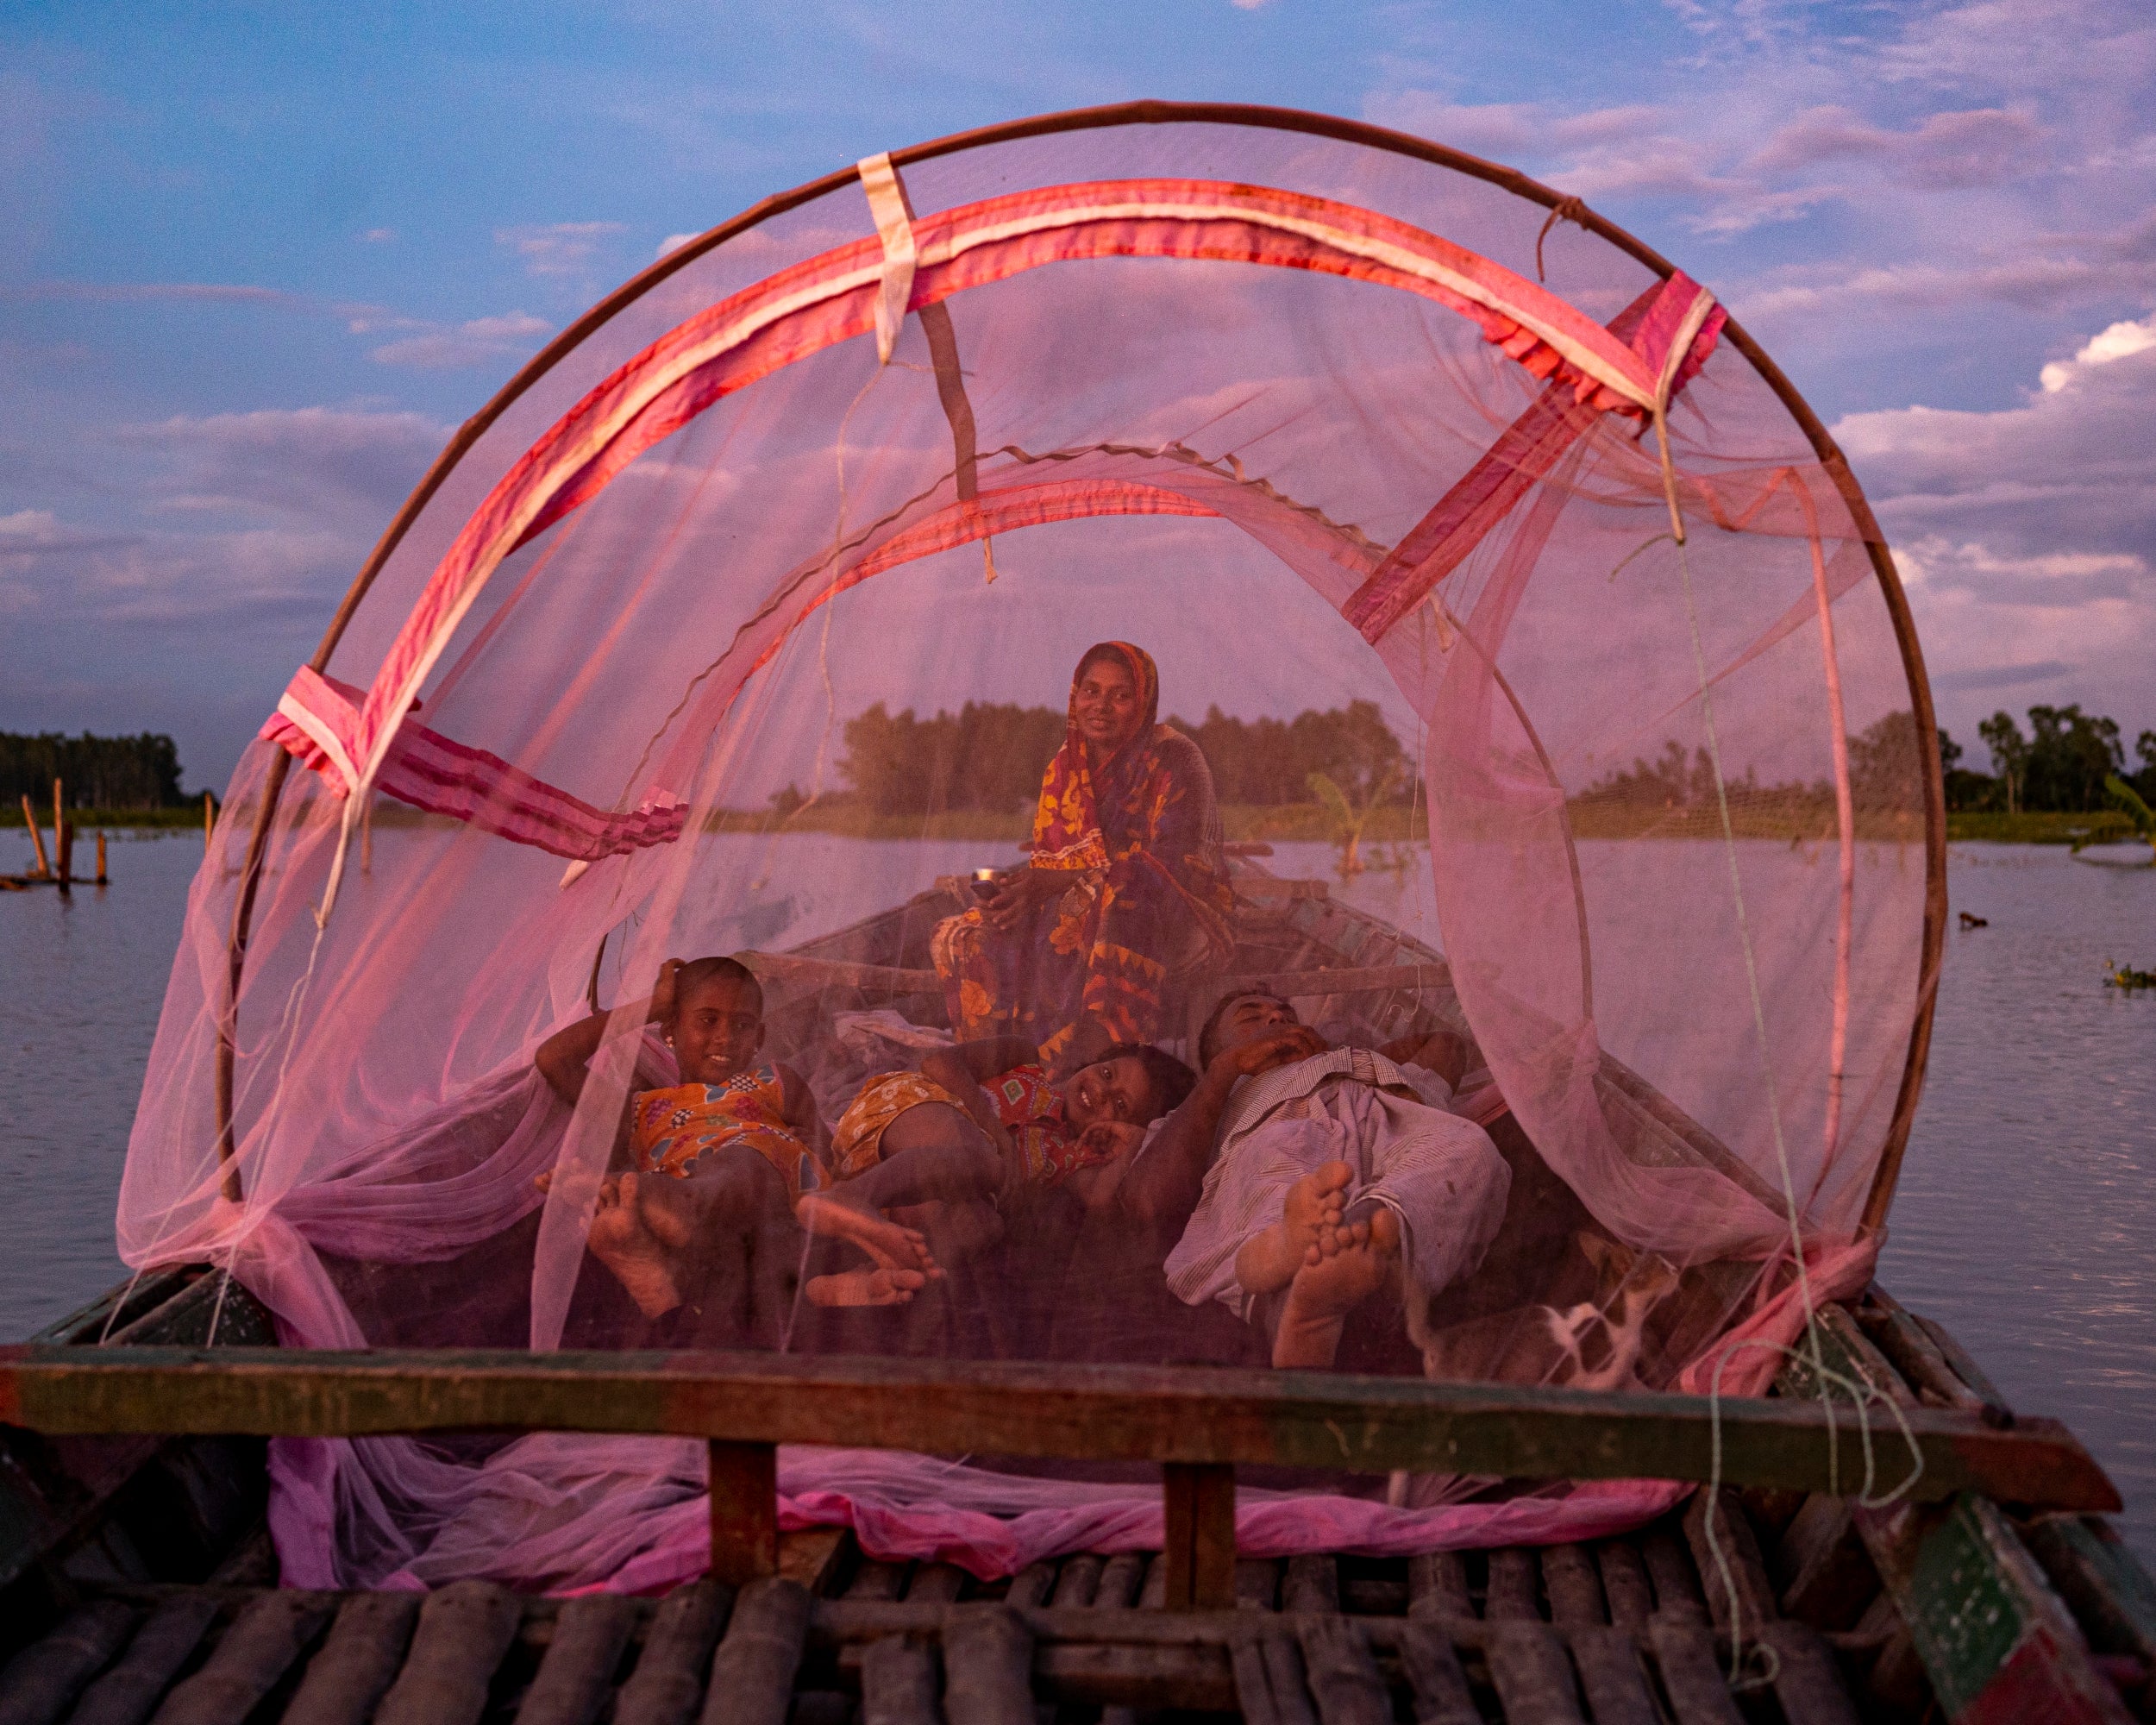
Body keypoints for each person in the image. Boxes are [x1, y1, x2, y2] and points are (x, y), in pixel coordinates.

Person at [534, 956, 933, 1338]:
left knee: (739, 1163)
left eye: (742, 1026)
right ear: (669, 1029)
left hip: (769, 1185)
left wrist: (828, 1189)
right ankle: (821, 1285)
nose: (725, 1036)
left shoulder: (772, 1080)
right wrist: (653, 1005)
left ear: (759, 1037)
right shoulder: (641, 1107)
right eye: (707, 1021)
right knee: (711, 1249)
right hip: (706, 1219)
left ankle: (659, 1204)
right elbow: (554, 1059)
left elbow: (821, 1146)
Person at [1157, 988, 1509, 1370]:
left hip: (1387, 1126)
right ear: (1215, 1057)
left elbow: (1445, 1044)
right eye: (1250, 1018)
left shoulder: (1357, 1065)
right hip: (1278, 1129)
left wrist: (1344, 1056)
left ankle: (1366, 1237)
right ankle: (1289, 1282)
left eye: (1287, 1014)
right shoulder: (1215, 1099)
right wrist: (1226, 1070)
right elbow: (1151, 1178)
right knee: (1271, 1167)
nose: (1277, 1018)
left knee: (1466, 1145)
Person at [931, 642, 1234, 1069]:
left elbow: (1178, 869)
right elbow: (1051, 861)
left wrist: (1064, 882)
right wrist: (1022, 892)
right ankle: (1005, 1070)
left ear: (1143, 702)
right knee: (965, 933)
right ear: (1075, 696)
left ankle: (1087, 1068)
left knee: (1122, 896)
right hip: (1079, 902)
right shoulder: (1065, 765)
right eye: (1091, 691)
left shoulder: (1178, 758)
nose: (1101, 706)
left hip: (1180, 914)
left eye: (1121, 695)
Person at [809, 1037, 1198, 1271]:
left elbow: (1100, 1199)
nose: (1099, 1091)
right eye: (1107, 1074)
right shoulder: (1026, 1060)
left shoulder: (1068, 1157)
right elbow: (941, 1064)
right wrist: (997, 1141)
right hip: (907, 1110)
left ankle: (861, 1266)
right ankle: (854, 1197)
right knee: (979, 1157)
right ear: (1096, 1061)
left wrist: (1131, 1141)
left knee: (978, 1227)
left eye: (1120, 1105)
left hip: (916, 1179)